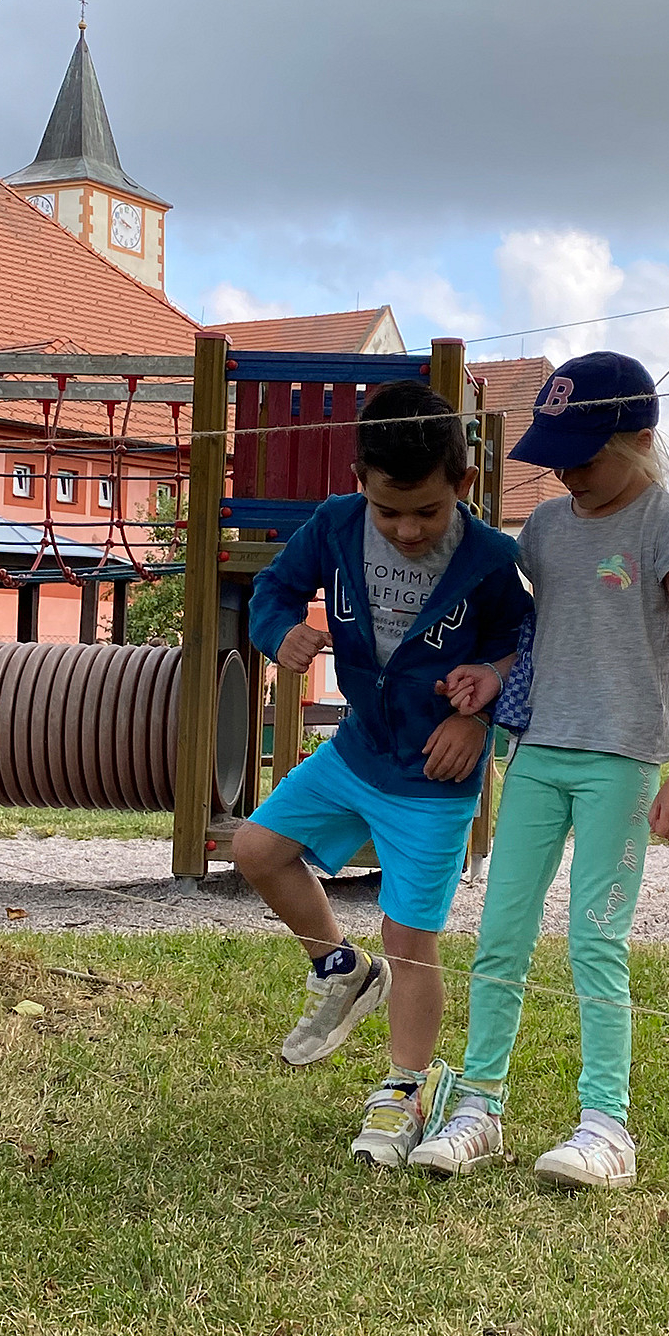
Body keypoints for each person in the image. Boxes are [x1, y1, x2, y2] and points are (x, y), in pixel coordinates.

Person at [408, 351, 669, 1190]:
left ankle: (606, 1126)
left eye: (584, 456)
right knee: (501, 929)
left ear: (640, 440)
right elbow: (539, 633)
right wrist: (492, 676)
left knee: (596, 939)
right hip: (538, 753)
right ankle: (479, 1107)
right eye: (557, 458)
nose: (567, 473)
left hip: (623, 761)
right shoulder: (543, 530)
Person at [232, 381, 531, 1168]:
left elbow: (519, 645)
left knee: (409, 939)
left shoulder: (492, 560)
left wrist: (479, 715)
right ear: (359, 478)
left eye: (426, 512)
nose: (406, 529)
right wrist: (279, 632)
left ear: (463, 484)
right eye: (388, 510)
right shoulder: (334, 524)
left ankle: (405, 1089)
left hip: (434, 777)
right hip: (357, 750)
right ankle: (339, 966)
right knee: (256, 849)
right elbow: (272, 591)